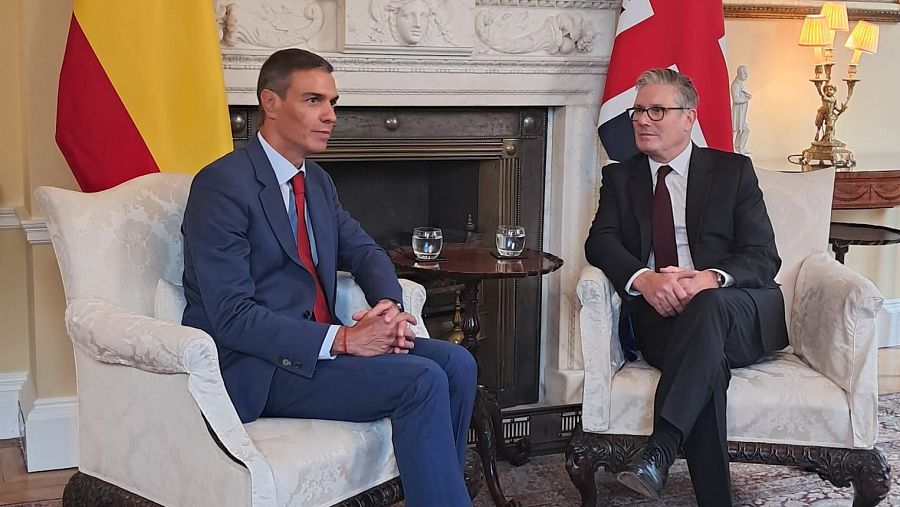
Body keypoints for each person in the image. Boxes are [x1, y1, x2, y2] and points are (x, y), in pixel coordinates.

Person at [181, 48, 476, 506]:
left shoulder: (316, 181)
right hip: (259, 363)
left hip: (320, 348)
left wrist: (388, 309)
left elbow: (364, 251)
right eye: (314, 100)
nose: (330, 116)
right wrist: (345, 340)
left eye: (333, 102)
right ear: (271, 103)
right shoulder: (222, 187)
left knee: (458, 363)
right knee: (422, 380)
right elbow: (233, 318)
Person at [585, 68, 787, 506]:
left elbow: (763, 256)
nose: (642, 119)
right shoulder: (622, 178)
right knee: (706, 366)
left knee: (709, 307)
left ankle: (661, 446)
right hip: (663, 317)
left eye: (657, 110)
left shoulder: (733, 172)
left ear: (689, 117)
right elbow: (599, 242)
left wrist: (709, 279)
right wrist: (646, 279)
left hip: (736, 310)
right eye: (638, 110)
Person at [730, 65, 751, 155]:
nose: (746, 75)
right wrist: (746, 99)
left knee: (745, 129)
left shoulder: (740, 84)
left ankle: (740, 147)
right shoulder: (735, 85)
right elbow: (736, 99)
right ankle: (732, 148)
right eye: (745, 73)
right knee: (735, 130)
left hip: (741, 112)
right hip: (737, 112)